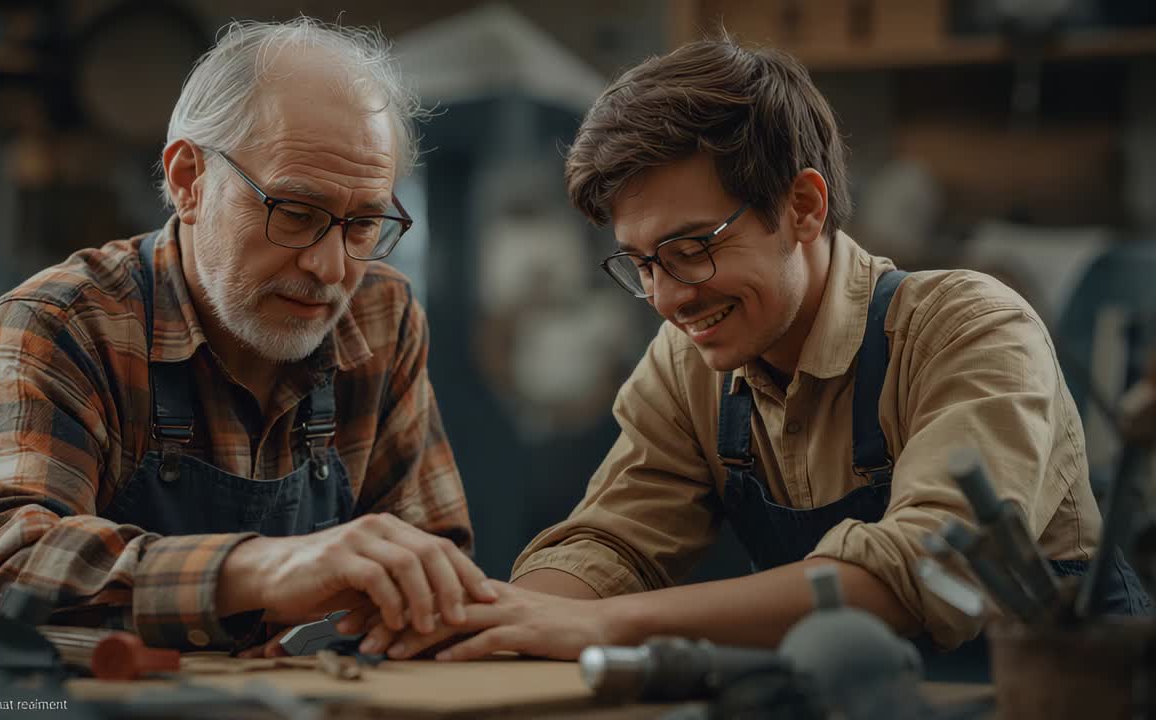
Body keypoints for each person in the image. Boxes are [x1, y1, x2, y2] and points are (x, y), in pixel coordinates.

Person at [354, 34, 1152, 663]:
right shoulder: (691, 364)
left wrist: (610, 627)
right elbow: (611, 543)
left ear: (803, 206)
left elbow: (925, 571)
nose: (667, 298)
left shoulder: (968, 328)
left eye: (692, 247)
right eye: (640, 265)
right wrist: (509, 619)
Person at [0, 18, 495, 655]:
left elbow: (432, 564)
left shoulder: (382, 317)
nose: (330, 269)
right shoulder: (65, 321)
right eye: (295, 212)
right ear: (189, 180)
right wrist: (261, 572)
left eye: (362, 225)